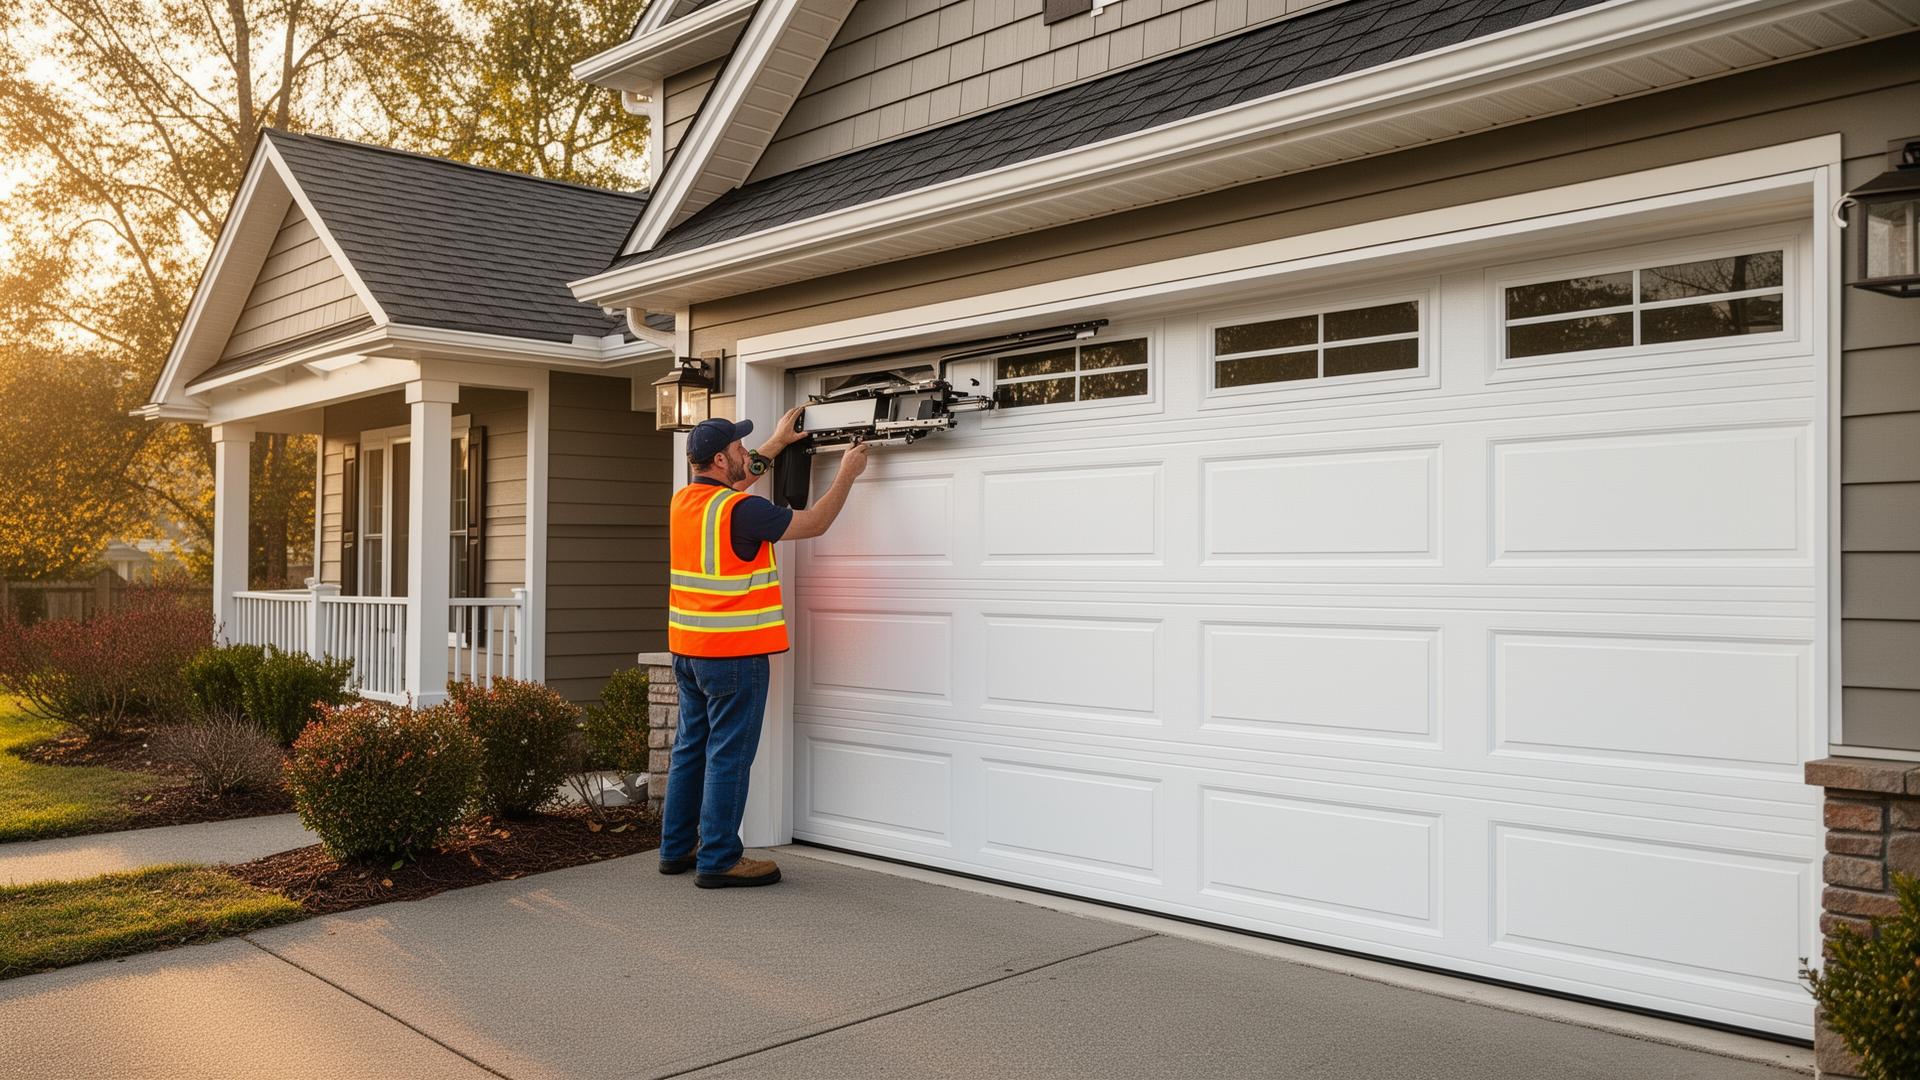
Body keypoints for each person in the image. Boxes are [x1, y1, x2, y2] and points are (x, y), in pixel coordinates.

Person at [658, 410, 871, 888]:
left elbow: (737, 485)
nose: (743, 453)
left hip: (689, 651)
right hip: (735, 654)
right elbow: (814, 523)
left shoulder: (686, 502)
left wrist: (775, 444)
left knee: (691, 748)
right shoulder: (740, 511)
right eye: (736, 447)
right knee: (729, 755)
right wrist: (847, 475)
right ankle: (718, 859)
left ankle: (677, 849)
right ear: (718, 459)